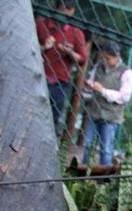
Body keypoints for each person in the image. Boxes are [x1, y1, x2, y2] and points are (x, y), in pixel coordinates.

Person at [35, 0, 87, 130]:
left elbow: (82, 59)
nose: (65, 18)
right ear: (56, 9)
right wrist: (44, 47)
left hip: (59, 83)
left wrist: (70, 53)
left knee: (52, 120)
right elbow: (28, 46)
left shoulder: (76, 32)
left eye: (69, 15)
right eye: (63, 13)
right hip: (37, 76)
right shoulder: (41, 24)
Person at [82, 41, 132, 167]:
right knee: (88, 145)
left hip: (111, 117)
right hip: (95, 113)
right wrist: (89, 85)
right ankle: (82, 171)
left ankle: (104, 175)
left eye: (108, 58)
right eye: (104, 57)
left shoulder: (126, 73)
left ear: (117, 56)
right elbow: (92, 80)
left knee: (106, 149)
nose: (105, 61)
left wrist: (103, 91)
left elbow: (124, 97)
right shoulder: (99, 66)